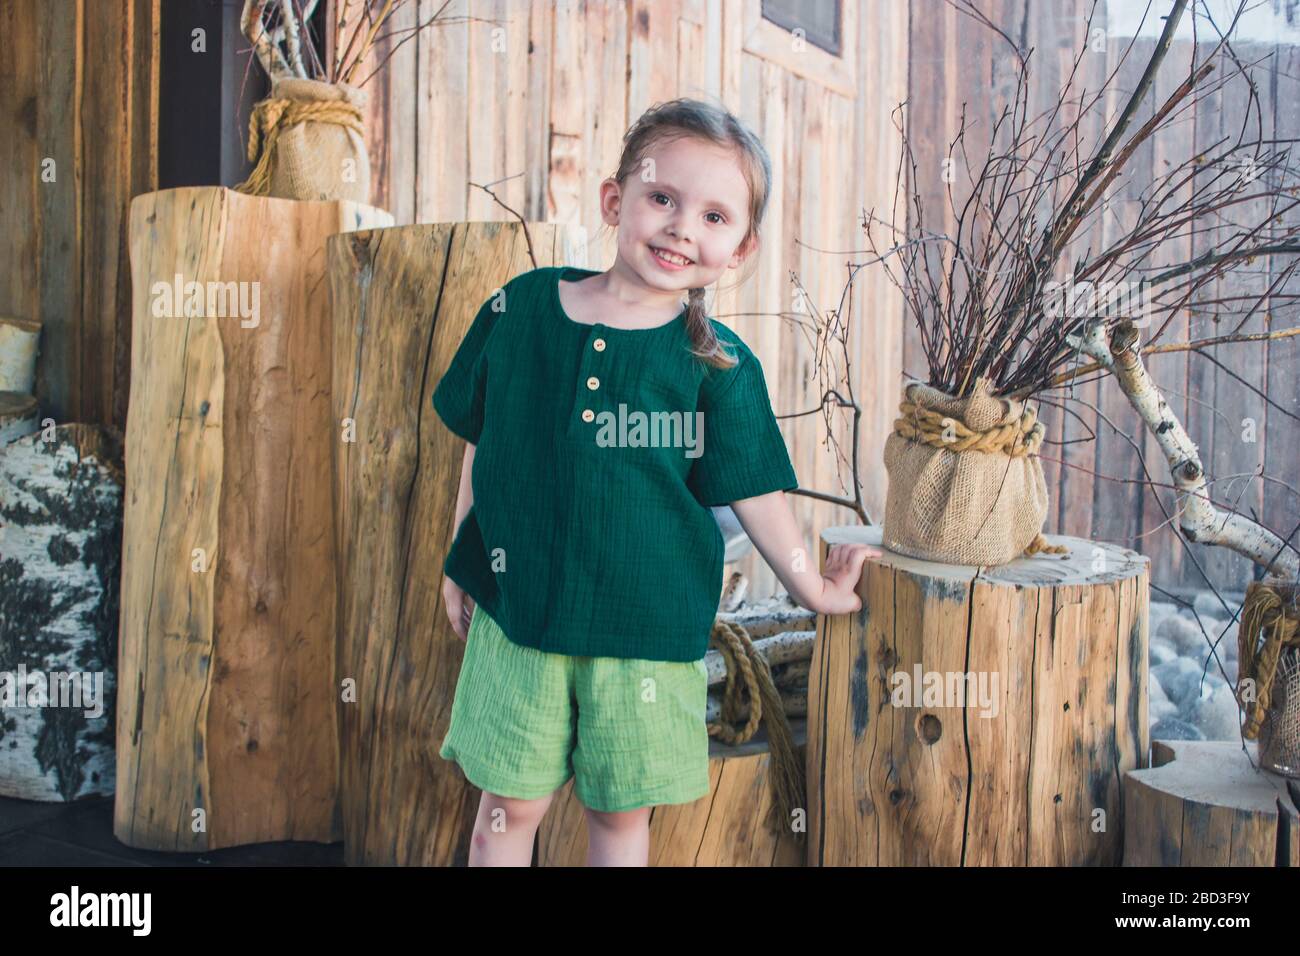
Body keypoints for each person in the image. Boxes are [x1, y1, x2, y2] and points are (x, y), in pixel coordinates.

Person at [432, 97, 878, 867]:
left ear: (740, 250)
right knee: (505, 813)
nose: (681, 227)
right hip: (519, 617)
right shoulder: (524, 308)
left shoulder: (718, 366)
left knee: (619, 820)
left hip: (644, 638)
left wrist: (812, 586)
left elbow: (756, 494)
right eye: (663, 198)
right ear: (616, 200)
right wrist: (458, 554)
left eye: (714, 216)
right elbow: (484, 440)